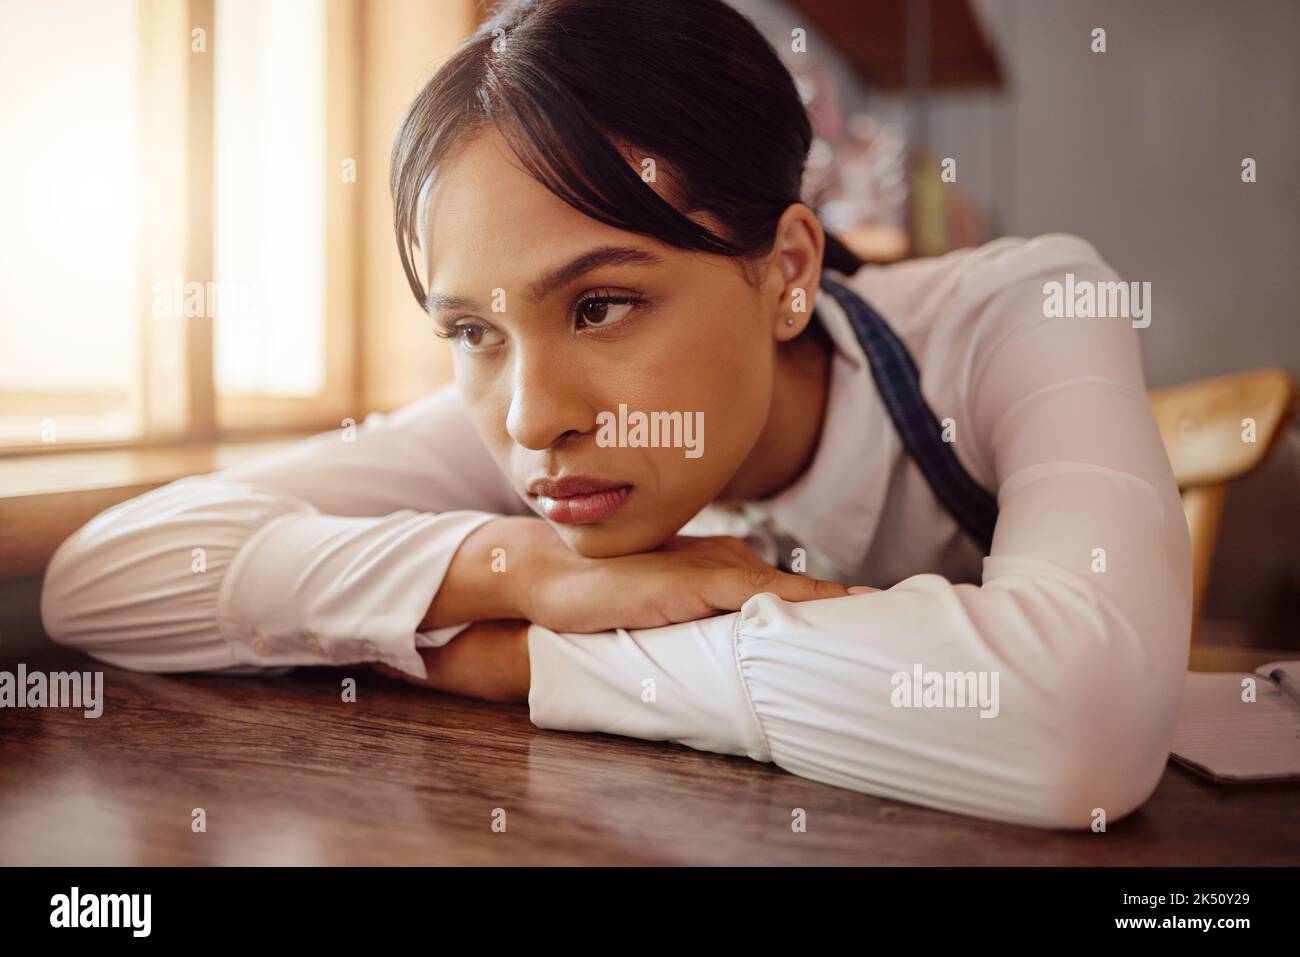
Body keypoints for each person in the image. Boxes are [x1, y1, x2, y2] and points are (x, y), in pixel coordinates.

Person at [40, 0, 1191, 829]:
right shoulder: (529, 424)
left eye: (600, 305)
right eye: (469, 331)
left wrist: (530, 662)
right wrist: (515, 573)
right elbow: (103, 576)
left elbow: (1076, 725)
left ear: (787, 268)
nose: (534, 417)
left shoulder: (1016, 313)